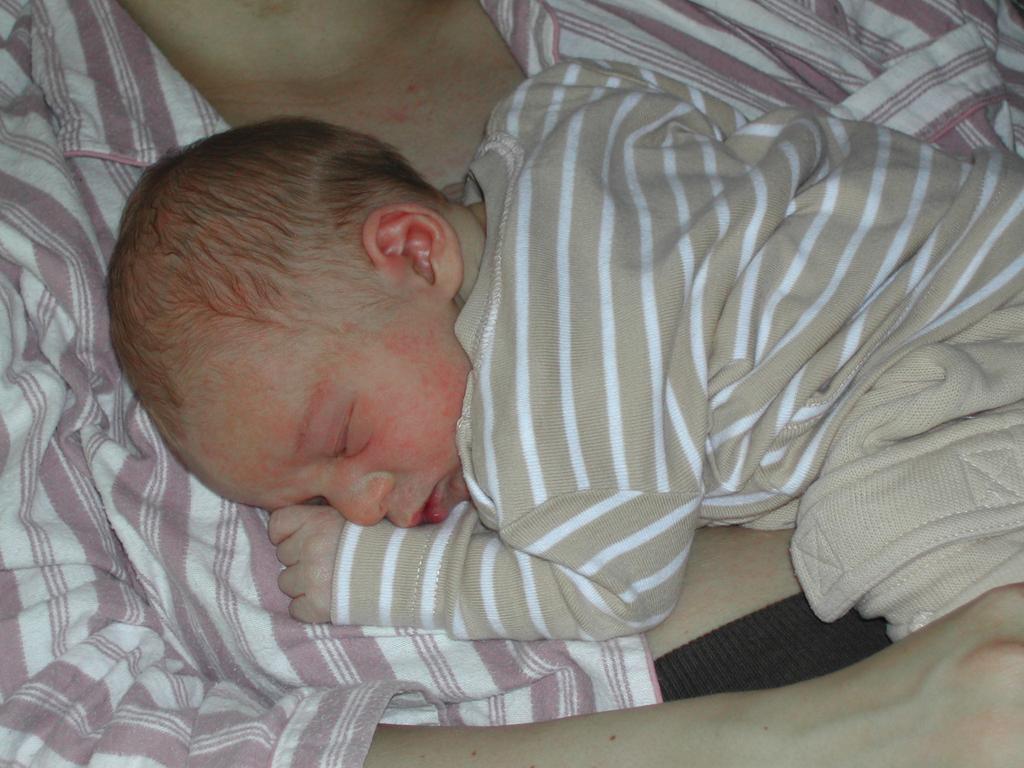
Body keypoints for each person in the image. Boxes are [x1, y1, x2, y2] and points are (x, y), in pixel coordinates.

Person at [109, 57, 1024, 649]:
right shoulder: (551, 127)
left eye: (343, 435)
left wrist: (395, 577)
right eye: (316, 498)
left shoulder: (545, 380)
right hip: (981, 237)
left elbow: (617, 584)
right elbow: (662, 100)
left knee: (882, 536)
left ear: (416, 251)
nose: (360, 504)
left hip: (970, 358)